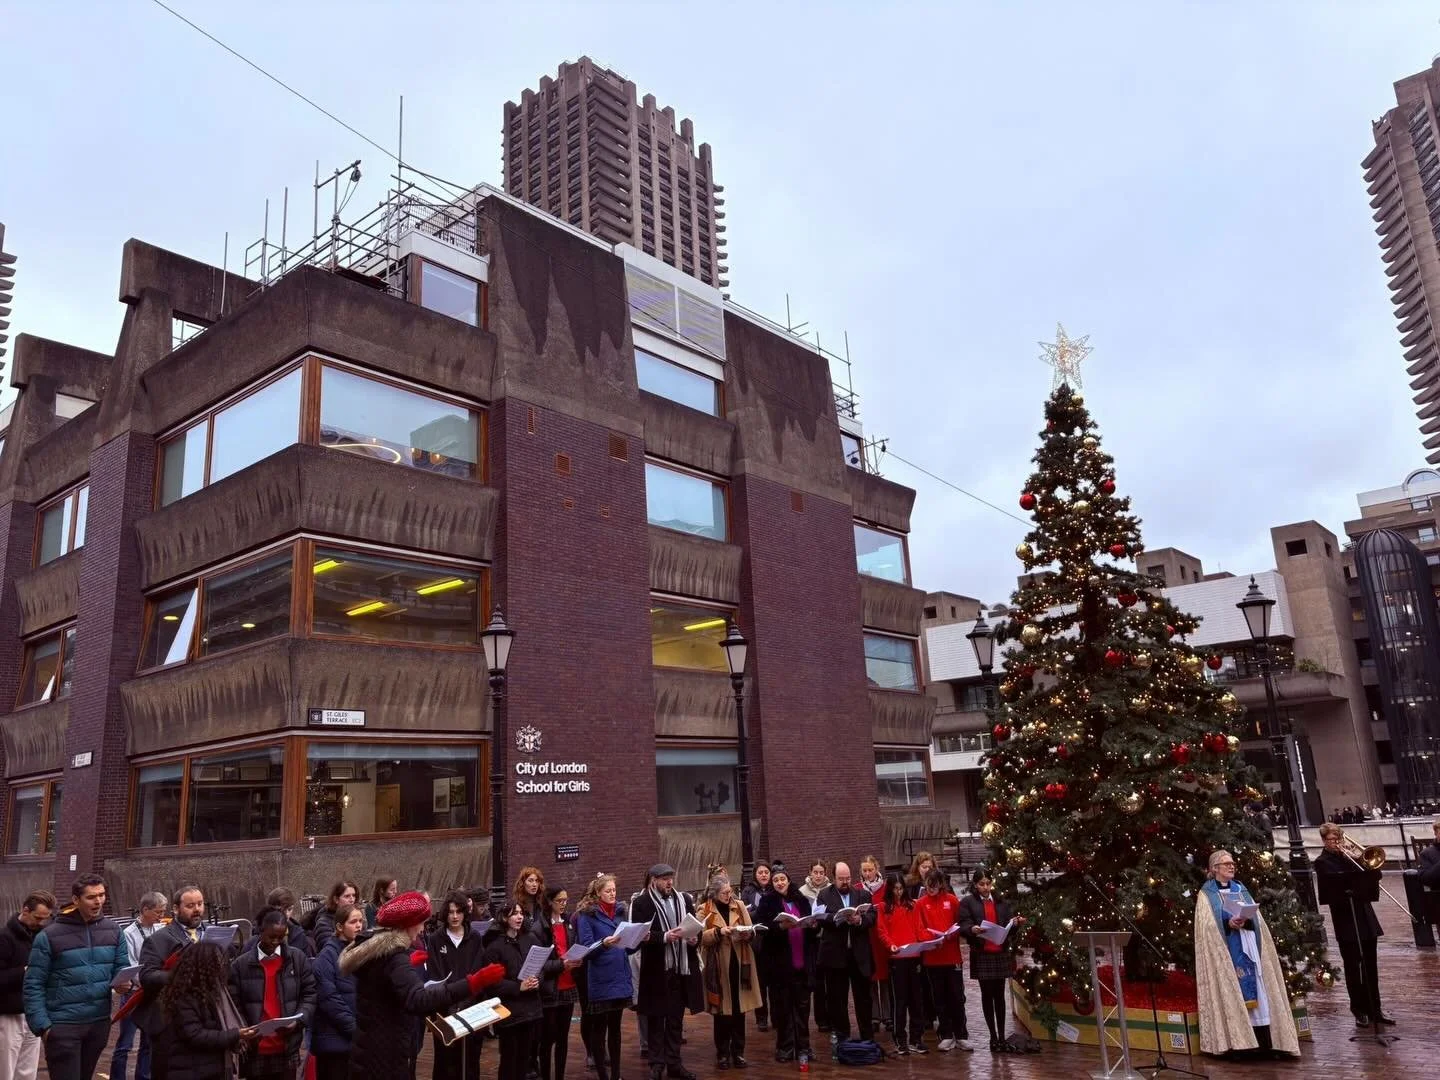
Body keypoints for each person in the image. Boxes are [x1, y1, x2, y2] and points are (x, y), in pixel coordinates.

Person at [342, 891, 502, 1079]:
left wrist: (407, 963)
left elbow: (383, 980)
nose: (422, 929)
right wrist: (473, 982)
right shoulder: (395, 958)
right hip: (385, 1055)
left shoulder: (379, 950)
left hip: (370, 1048)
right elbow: (419, 999)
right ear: (409, 924)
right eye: (421, 923)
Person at [1192, 850, 1300, 1060]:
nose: (1231, 866)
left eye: (1232, 863)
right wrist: (1228, 923)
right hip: (1227, 952)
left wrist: (1246, 920)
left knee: (1261, 994)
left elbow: (1257, 920)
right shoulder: (1207, 894)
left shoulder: (1240, 888)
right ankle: (1240, 1046)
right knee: (1233, 994)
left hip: (1250, 947)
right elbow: (1206, 927)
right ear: (1215, 869)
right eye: (1226, 864)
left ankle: (1266, 1044)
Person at [22, 873, 128, 1080]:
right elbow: (33, 983)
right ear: (76, 900)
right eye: (91, 897)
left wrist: (124, 983)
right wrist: (44, 1027)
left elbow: (121, 967)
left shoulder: (114, 930)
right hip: (62, 1026)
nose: (98, 901)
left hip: (97, 1024)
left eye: (102, 895)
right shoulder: (49, 935)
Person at [1314, 822, 1392, 1026]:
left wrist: (1358, 858)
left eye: (1338, 839)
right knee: (1352, 967)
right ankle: (1358, 1009)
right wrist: (1348, 861)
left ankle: (1375, 1009)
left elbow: (1375, 875)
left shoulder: (1351, 857)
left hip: (1365, 918)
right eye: (1332, 840)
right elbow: (1334, 888)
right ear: (1324, 841)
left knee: (1370, 966)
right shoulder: (1322, 862)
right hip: (1346, 920)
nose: (1336, 843)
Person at [631, 863, 702, 1080]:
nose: (669, 882)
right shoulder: (641, 903)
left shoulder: (684, 899)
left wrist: (694, 939)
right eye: (664, 879)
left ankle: (674, 1063)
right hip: (656, 969)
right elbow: (638, 936)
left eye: (671, 878)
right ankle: (656, 1064)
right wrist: (663, 937)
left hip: (680, 968)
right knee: (656, 1019)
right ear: (653, 880)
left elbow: (694, 926)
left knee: (675, 1020)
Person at [229, 907, 316, 1078]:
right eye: (271, 937)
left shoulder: (297, 959)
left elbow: (309, 995)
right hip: (255, 1048)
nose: (276, 942)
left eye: (281, 937)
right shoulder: (240, 965)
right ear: (260, 932)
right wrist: (243, 1030)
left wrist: (298, 1020)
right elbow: (234, 1004)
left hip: (287, 1047)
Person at [156, 941, 257, 1079]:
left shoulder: (215, 993)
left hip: (211, 1067)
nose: (223, 967)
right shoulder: (184, 997)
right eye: (218, 963)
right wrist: (235, 1034)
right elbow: (195, 1035)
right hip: (192, 1069)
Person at [483, 901, 559, 1080]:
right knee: (509, 1060)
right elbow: (492, 983)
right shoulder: (495, 947)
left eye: (521, 913)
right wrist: (518, 987)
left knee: (525, 1059)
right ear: (504, 918)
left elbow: (540, 966)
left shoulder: (529, 939)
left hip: (530, 1009)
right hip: (509, 1012)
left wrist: (537, 980)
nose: (519, 917)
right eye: (514, 914)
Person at [957, 869, 1027, 1053]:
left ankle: (1002, 1036)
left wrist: (1015, 924)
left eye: (988, 883)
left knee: (999, 995)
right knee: (987, 995)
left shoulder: (1001, 901)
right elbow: (963, 925)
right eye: (982, 884)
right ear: (975, 885)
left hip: (999, 952)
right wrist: (972, 929)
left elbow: (1008, 926)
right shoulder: (968, 902)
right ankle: (993, 1036)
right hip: (982, 953)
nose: (986, 887)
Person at [697, 872, 760, 1069]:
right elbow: (698, 936)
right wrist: (718, 932)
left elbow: (751, 929)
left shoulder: (739, 905)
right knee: (722, 1012)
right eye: (724, 893)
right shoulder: (705, 909)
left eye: (730, 891)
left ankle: (739, 1052)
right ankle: (722, 1053)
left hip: (740, 962)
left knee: (739, 1010)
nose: (728, 895)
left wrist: (747, 934)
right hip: (718, 966)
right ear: (715, 893)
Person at [754, 864, 814, 1064]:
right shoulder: (767, 901)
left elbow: (809, 922)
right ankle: (785, 1047)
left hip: (802, 962)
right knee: (784, 1009)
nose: (780, 883)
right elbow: (761, 927)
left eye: (782, 879)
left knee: (803, 1009)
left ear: (788, 880)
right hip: (780, 965)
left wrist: (813, 925)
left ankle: (804, 1047)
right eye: (776, 880)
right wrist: (779, 927)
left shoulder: (801, 899)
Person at [134, 885, 210, 1041]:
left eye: (200, 904)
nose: (197, 909)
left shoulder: (213, 933)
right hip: (174, 1019)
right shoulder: (158, 939)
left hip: (208, 1015)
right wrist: (181, 976)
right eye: (190, 906)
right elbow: (147, 976)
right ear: (176, 909)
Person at [575, 874, 631, 1080]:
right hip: (601, 978)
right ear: (598, 893)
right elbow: (586, 948)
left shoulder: (621, 913)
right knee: (600, 1029)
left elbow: (628, 948)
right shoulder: (586, 916)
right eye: (608, 891)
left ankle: (616, 1074)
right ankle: (603, 1075)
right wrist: (604, 944)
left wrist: (639, 939)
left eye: (614, 890)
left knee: (616, 1029)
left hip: (620, 976)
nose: (612, 894)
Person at [815, 861, 877, 1045]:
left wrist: (859, 920)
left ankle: (867, 1037)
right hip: (836, 956)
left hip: (859, 955)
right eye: (841, 879)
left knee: (863, 998)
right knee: (837, 999)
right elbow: (819, 917)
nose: (845, 882)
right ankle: (843, 1038)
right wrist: (837, 918)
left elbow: (872, 916)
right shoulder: (824, 895)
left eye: (848, 878)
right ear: (833, 878)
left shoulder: (863, 894)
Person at [427, 891, 486, 1080]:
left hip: (471, 1010)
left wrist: (466, 1002)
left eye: (458, 912)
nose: (454, 916)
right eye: (451, 912)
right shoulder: (436, 939)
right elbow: (435, 975)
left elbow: (478, 971)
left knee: (470, 1061)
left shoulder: (474, 937)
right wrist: (450, 1003)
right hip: (445, 1011)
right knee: (445, 1063)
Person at [914, 868, 972, 1051]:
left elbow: (960, 924)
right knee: (939, 998)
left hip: (952, 956)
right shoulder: (921, 904)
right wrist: (932, 938)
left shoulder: (952, 900)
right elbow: (919, 929)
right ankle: (946, 1034)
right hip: (932, 959)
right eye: (928, 885)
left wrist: (951, 935)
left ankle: (961, 1034)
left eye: (934, 885)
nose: (931, 889)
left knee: (957, 997)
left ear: (940, 884)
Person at [0, 890, 54, 1080]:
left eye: (45, 918)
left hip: (33, 1012)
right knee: (5, 1070)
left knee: (28, 1072)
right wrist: (25, 971)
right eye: (38, 918)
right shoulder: (4, 938)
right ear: (25, 910)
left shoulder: (41, 937)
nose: (41, 922)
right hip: (9, 1015)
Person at [114, 890, 167, 1080]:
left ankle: (143, 1077)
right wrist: (149, 979)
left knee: (148, 1042)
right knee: (125, 1044)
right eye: (158, 912)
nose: (161, 916)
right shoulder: (129, 933)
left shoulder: (159, 929)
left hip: (151, 992)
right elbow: (131, 965)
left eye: (163, 912)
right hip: (135, 992)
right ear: (145, 910)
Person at [874, 873, 924, 1056]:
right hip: (897, 958)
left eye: (901, 888)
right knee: (900, 1001)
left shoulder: (912, 905)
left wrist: (928, 941)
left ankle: (916, 1039)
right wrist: (890, 945)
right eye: (895, 889)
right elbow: (881, 931)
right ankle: (900, 1039)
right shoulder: (883, 907)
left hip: (914, 955)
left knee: (916, 1000)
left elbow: (919, 928)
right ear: (889, 889)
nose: (898, 892)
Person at [312, 903, 363, 1080]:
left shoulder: (357, 952)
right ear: (340, 927)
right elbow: (329, 999)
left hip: (353, 1041)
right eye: (353, 922)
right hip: (333, 1042)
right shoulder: (327, 956)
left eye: (360, 921)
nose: (359, 926)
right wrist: (355, 1029)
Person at [536, 887, 582, 1080]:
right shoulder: (540, 927)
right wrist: (561, 964)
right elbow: (539, 963)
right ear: (549, 902)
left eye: (565, 900)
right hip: (550, 988)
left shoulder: (568, 924)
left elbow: (570, 948)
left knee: (563, 1038)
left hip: (568, 985)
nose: (563, 904)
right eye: (559, 901)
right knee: (547, 1039)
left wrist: (578, 958)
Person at [739, 862, 772, 1033]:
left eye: (766, 872)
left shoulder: (775, 889)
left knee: (775, 981)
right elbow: (743, 914)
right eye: (761, 872)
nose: (764, 875)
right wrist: (759, 912)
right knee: (760, 981)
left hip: (773, 939)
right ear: (755, 875)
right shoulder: (748, 891)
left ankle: (777, 1016)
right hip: (757, 941)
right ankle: (762, 1018)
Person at [797, 861, 830, 1033]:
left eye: (821, 872)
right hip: (811, 940)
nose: (818, 876)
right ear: (810, 872)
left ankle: (830, 1017)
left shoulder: (831, 890)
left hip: (828, 938)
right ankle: (820, 1019)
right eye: (815, 872)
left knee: (829, 980)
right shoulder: (802, 892)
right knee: (816, 980)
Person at [265, 889, 315, 960]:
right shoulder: (258, 935)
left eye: (289, 909)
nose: (286, 914)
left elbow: (307, 963)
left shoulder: (299, 935)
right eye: (281, 910)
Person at [309, 883, 358, 953]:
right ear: (336, 899)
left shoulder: (358, 919)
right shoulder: (324, 924)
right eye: (347, 896)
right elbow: (329, 950)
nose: (352, 900)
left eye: (354, 895)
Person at [513, 868, 546, 934]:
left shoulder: (542, 906)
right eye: (530, 881)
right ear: (522, 883)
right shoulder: (516, 906)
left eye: (537, 881)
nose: (534, 884)